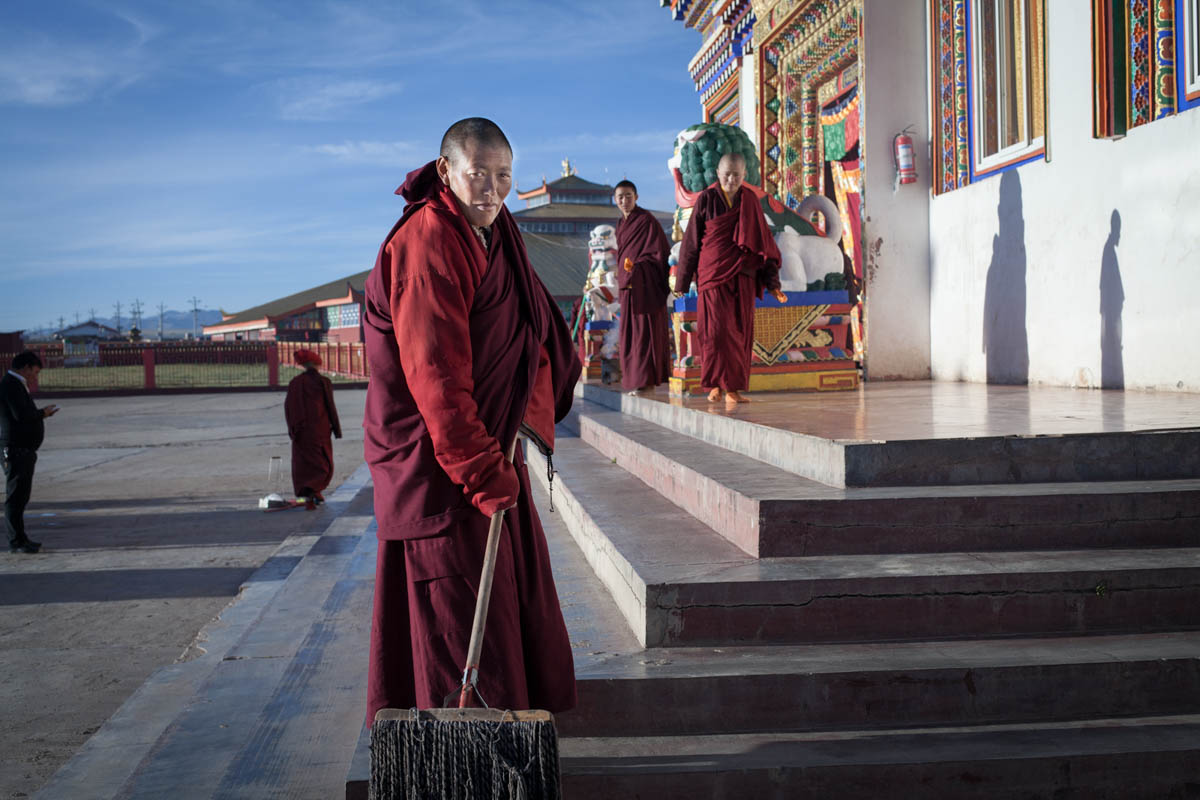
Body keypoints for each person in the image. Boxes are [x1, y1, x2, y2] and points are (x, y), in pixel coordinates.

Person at [362, 118, 582, 722]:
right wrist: (484, 472)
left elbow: (531, 324)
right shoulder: (427, 243)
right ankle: (457, 766)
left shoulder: (494, 230)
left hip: (486, 450)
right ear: (446, 172)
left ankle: (497, 746)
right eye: (478, 175)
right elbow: (438, 382)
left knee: (498, 621)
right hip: (443, 464)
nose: (491, 190)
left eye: (504, 177)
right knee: (454, 627)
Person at [675, 152, 786, 405]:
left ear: (744, 175)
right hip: (713, 275)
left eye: (736, 175)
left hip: (743, 277)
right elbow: (691, 242)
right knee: (714, 332)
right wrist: (682, 282)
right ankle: (714, 384)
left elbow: (764, 245)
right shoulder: (707, 199)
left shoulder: (750, 201)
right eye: (727, 174)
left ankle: (733, 388)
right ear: (718, 174)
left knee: (738, 332)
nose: (731, 179)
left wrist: (773, 285)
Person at [614, 179, 672, 393]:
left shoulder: (646, 221)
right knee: (629, 338)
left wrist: (637, 268)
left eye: (628, 196)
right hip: (628, 291)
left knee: (644, 336)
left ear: (636, 197)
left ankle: (645, 382)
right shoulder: (621, 225)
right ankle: (633, 380)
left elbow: (658, 255)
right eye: (620, 197)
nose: (624, 200)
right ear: (615, 200)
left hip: (645, 289)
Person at [2, 351, 59, 554]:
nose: (35, 377)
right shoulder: (10, 385)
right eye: (34, 372)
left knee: (21, 497)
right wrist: (43, 413)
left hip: (23, 450)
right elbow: (22, 415)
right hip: (15, 449)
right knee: (16, 497)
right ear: (25, 368)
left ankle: (21, 538)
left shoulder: (16, 384)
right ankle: (16, 541)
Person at [283, 349, 342, 509]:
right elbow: (331, 407)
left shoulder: (295, 383)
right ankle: (314, 490)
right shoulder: (323, 382)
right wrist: (336, 428)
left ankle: (309, 492)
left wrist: (293, 429)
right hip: (320, 429)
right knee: (322, 461)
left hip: (301, 431)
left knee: (304, 462)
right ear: (317, 363)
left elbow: (289, 408)